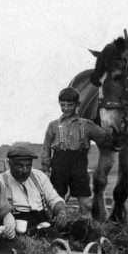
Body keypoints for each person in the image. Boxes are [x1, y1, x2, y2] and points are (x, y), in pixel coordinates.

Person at [40, 87, 113, 219]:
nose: (66, 108)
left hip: (79, 165)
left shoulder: (87, 125)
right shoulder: (53, 125)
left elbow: (105, 137)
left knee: (85, 204)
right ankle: (56, 229)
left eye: (70, 104)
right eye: (63, 105)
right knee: (56, 200)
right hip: (59, 164)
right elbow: (46, 148)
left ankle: (85, 231)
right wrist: (46, 168)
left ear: (77, 104)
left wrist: (114, 126)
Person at [0, 146, 68, 234]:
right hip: (17, 224)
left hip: (42, 221)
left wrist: (61, 212)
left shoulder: (39, 176)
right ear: (9, 164)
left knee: (80, 227)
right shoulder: (0, 181)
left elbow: (54, 199)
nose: (25, 170)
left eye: (28, 166)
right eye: (20, 166)